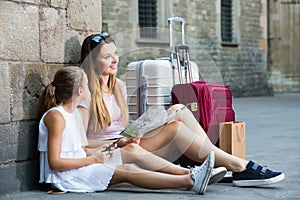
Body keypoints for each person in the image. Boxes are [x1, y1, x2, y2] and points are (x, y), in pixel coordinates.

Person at [78, 32, 285, 187]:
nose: (115, 60)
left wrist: (138, 130)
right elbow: (80, 143)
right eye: (107, 57)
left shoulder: (118, 86)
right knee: (175, 129)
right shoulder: (85, 94)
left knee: (179, 109)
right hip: (112, 151)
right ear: (92, 60)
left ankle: (216, 162)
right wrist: (120, 141)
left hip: (130, 143)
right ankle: (239, 166)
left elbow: (123, 128)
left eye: (115, 54)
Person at [37, 66, 219, 194]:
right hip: (67, 177)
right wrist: (94, 159)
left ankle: (190, 173)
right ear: (79, 91)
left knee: (131, 149)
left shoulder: (72, 115)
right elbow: (55, 163)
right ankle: (191, 182)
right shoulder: (56, 117)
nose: (89, 87)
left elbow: (81, 148)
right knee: (127, 170)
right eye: (86, 84)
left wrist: (117, 143)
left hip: (83, 163)